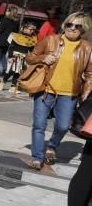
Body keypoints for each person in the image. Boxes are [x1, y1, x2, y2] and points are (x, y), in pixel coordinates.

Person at [24, 12, 92, 171]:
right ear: (65, 25)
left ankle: (52, 146)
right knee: (39, 125)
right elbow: (30, 57)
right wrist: (43, 58)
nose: (72, 28)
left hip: (69, 94)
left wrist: (86, 92)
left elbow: (90, 73)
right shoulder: (50, 40)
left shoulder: (87, 48)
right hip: (45, 90)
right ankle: (36, 157)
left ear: (83, 29)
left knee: (62, 126)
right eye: (70, 24)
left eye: (77, 26)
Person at [0, 20, 38, 95]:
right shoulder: (16, 36)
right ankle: (3, 81)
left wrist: (33, 56)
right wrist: (10, 56)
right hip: (14, 56)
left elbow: (31, 50)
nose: (32, 31)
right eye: (30, 29)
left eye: (33, 30)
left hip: (24, 57)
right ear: (25, 28)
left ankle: (13, 86)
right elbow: (11, 47)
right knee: (10, 71)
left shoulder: (32, 39)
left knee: (18, 72)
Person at [0, 6, 20, 76]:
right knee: (3, 55)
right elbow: (16, 32)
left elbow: (1, 30)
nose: (6, 12)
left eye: (7, 10)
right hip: (9, 41)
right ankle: (5, 70)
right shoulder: (16, 22)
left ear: (10, 11)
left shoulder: (6, 20)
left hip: (1, 40)